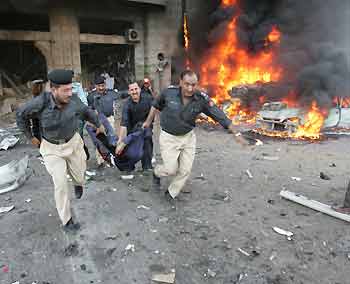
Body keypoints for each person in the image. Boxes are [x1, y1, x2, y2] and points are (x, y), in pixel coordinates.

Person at [16, 69, 105, 232]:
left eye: (71, 89)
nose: (70, 93)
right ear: (53, 89)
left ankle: (79, 184)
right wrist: (31, 137)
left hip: (73, 142)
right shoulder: (39, 103)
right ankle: (67, 221)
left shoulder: (74, 100)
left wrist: (98, 124)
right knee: (60, 183)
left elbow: (86, 112)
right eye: (66, 90)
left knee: (80, 174)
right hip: (51, 148)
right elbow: (20, 115)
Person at [143, 69, 248, 202]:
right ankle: (156, 173)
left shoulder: (201, 99)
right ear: (180, 82)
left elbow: (219, 115)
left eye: (193, 85)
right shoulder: (168, 93)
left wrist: (236, 133)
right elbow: (155, 105)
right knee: (170, 169)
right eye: (187, 84)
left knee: (185, 171)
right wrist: (147, 121)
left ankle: (170, 193)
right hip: (169, 137)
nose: (190, 88)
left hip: (188, 138)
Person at [87, 76, 126, 166]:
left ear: (105, 84)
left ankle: (113, 159)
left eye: (103, 85)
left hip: (110, 119)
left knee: (111, 140)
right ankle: (101, 161)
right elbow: (89, 110)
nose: (101, 88)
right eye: (99, 86)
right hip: (97, 121)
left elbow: (123, 94)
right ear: (95, 86)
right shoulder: (91, 96)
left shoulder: (112, 93)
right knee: (99, 140)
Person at [118, 82, 154, 171]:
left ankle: (147, 167)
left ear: (139, 89)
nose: (134, 92)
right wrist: (121, 140)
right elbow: (124, 123)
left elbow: (155, 108)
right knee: (131, 150)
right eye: (132, 90)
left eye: (135, 89)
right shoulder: (127, 104)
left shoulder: (148, 98)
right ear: (129, 92)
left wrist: (149, 121)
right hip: (132, 129)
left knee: (147, 141)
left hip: (146, 127)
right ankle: (129, 166)